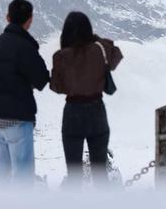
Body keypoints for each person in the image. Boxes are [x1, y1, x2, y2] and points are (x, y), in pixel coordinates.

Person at [0, 0, 50, 185]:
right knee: (22, 175)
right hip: (17, 117)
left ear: (7, 17)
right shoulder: (25, 46)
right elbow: (42, 79)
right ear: (30, 20)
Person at [50, 11, 123, 185]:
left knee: (74, 173)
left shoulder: (61, 56)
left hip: (72, 113)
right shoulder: (100, 49)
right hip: (97, 111)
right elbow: (117, 55)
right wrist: (94, 39)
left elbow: (57, 87)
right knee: (100, 172)